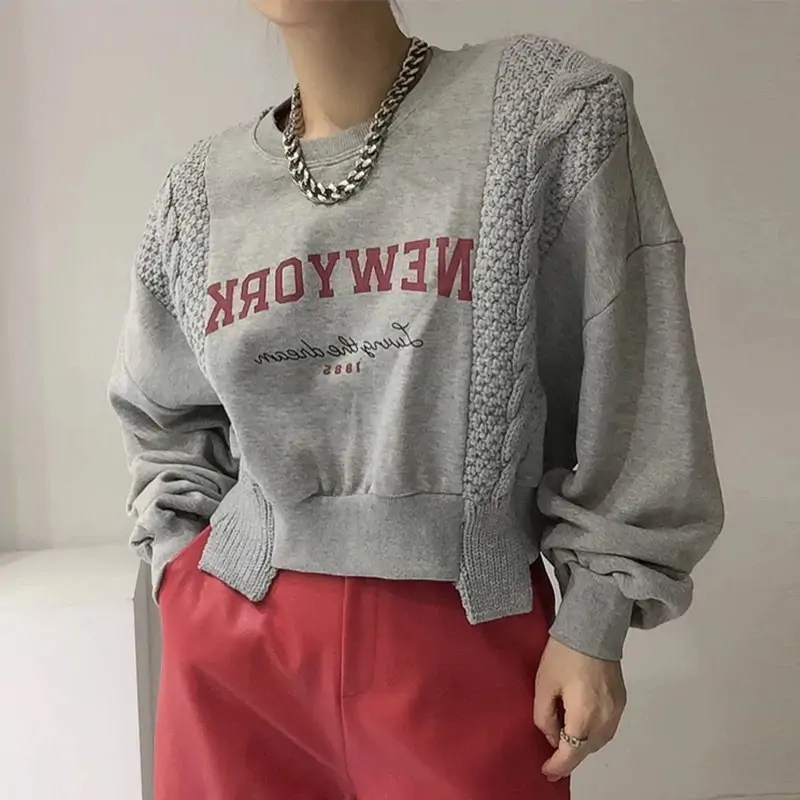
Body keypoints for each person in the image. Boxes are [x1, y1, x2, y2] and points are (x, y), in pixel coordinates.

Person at [109, 1, 724, 798]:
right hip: (236, 652)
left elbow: (633, 382)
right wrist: (179, 573)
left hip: (464, 641)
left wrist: (595, 619)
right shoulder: (200, 190)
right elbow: (164, 417)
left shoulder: (550, 112)